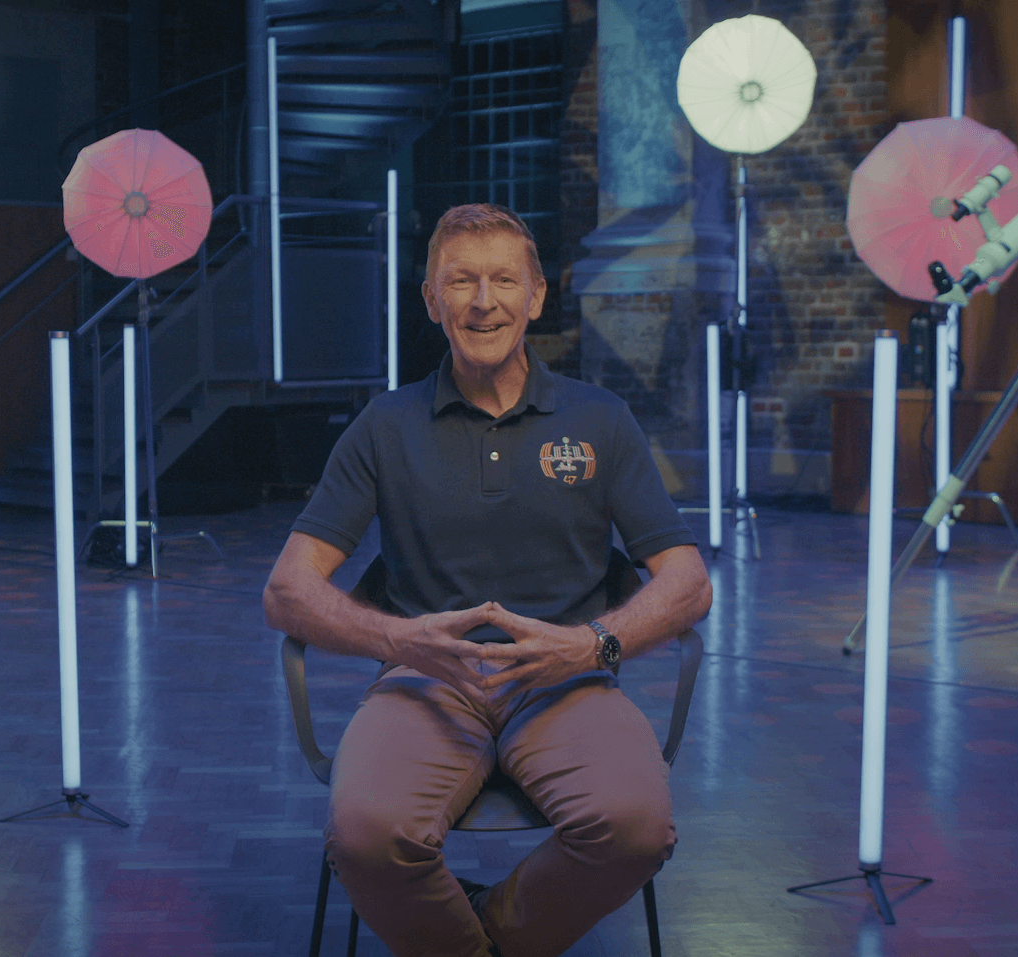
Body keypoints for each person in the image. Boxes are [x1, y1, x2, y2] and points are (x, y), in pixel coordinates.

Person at [263, 203, 711, 957]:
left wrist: (591, 645)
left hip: (566, 681)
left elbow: (688, 583)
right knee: (366, 837)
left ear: (536, 297)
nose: (483, 301)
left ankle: (485, 939)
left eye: (504, 279)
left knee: (636, 829)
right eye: (461, 281)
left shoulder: (599, 418)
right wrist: (399, 638)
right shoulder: (385, 424)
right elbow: (287, 590)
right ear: (431, 301)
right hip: (425, 682)